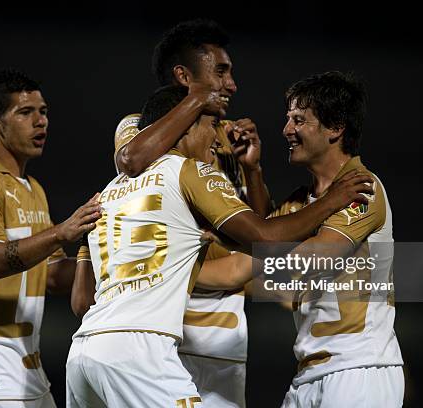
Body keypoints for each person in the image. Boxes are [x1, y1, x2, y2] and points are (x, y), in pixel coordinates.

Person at [65, 85, 374, 407]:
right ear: (186, 123)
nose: (217, 139)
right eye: (211, 126)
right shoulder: (190, 170)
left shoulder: (110, 192)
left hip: (83, 353)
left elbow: (81, 302)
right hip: (140, 351)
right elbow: (265, 237)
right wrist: (332, 201)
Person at [196, 71, 405, 407]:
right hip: (309, 375)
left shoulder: (362, 188)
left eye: (298, 120)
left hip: (360, 369)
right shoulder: (299, 204)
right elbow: (245, 262)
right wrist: (165, 276)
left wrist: (233, 246)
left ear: (335, 128)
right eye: (288, 119)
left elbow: (308, 261)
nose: (286, 130)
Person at [112, 19, 270, 407]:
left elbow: (259, 231)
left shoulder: (228, 134)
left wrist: (252, 168)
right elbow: (131, 160)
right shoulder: (139, 126)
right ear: (184, 76)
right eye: (220, 72)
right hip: (165, 333)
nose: (231, 84)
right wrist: (198, 100)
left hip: (225, 339)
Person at [0, 68, 100, 407]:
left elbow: (53, 276)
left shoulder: (32, 189)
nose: (41, 122)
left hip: (26, 369)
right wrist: (61, 231)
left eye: (43, 112)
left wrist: (102, 253)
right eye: (25, 112)